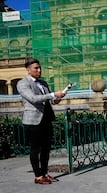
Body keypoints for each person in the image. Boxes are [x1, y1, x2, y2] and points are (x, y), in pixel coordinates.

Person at [17, 57, 66, 185]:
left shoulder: (43, 83)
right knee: (35, 149)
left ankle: (44, 173)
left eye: (40, 68)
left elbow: (50, 101)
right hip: (33, 120)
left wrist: (57, 98)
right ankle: (38, 176)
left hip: (46, 119)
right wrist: (53, 94)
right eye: (36, 68)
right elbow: (33, 98)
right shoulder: (23, 83)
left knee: (46, 148)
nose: (39, 70)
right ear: (28, 70)